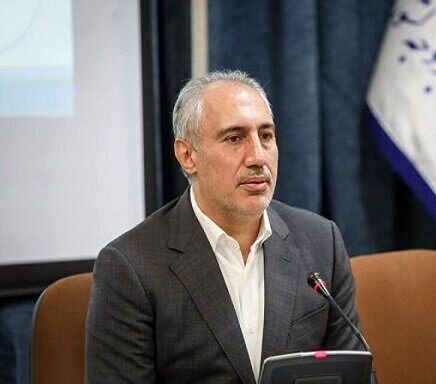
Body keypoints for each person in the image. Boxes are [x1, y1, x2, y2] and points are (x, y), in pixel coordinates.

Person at [85, 70, 363, 384]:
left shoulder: (321, 242)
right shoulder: (131, 267)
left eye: (266, 136)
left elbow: (356, 375)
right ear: (187, 156)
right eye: (234, 138)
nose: (258, 157)